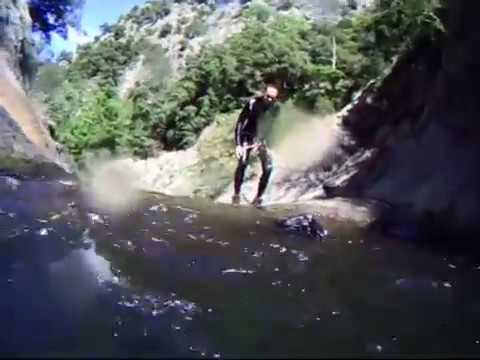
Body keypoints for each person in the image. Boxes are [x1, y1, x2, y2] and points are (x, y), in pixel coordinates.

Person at [232, 84, 280, 207]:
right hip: (247, 137)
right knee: (242, 163)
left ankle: (258, 198)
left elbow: (272, 127)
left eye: (272, 98)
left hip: (262, 140)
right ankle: (236, 194)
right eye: (268, 97)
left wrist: (266, 142)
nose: (270, 100)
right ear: (264, 94)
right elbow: (240, 123)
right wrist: (238, 144)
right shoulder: (252, 103)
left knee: (268, 168)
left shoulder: (275, 108)